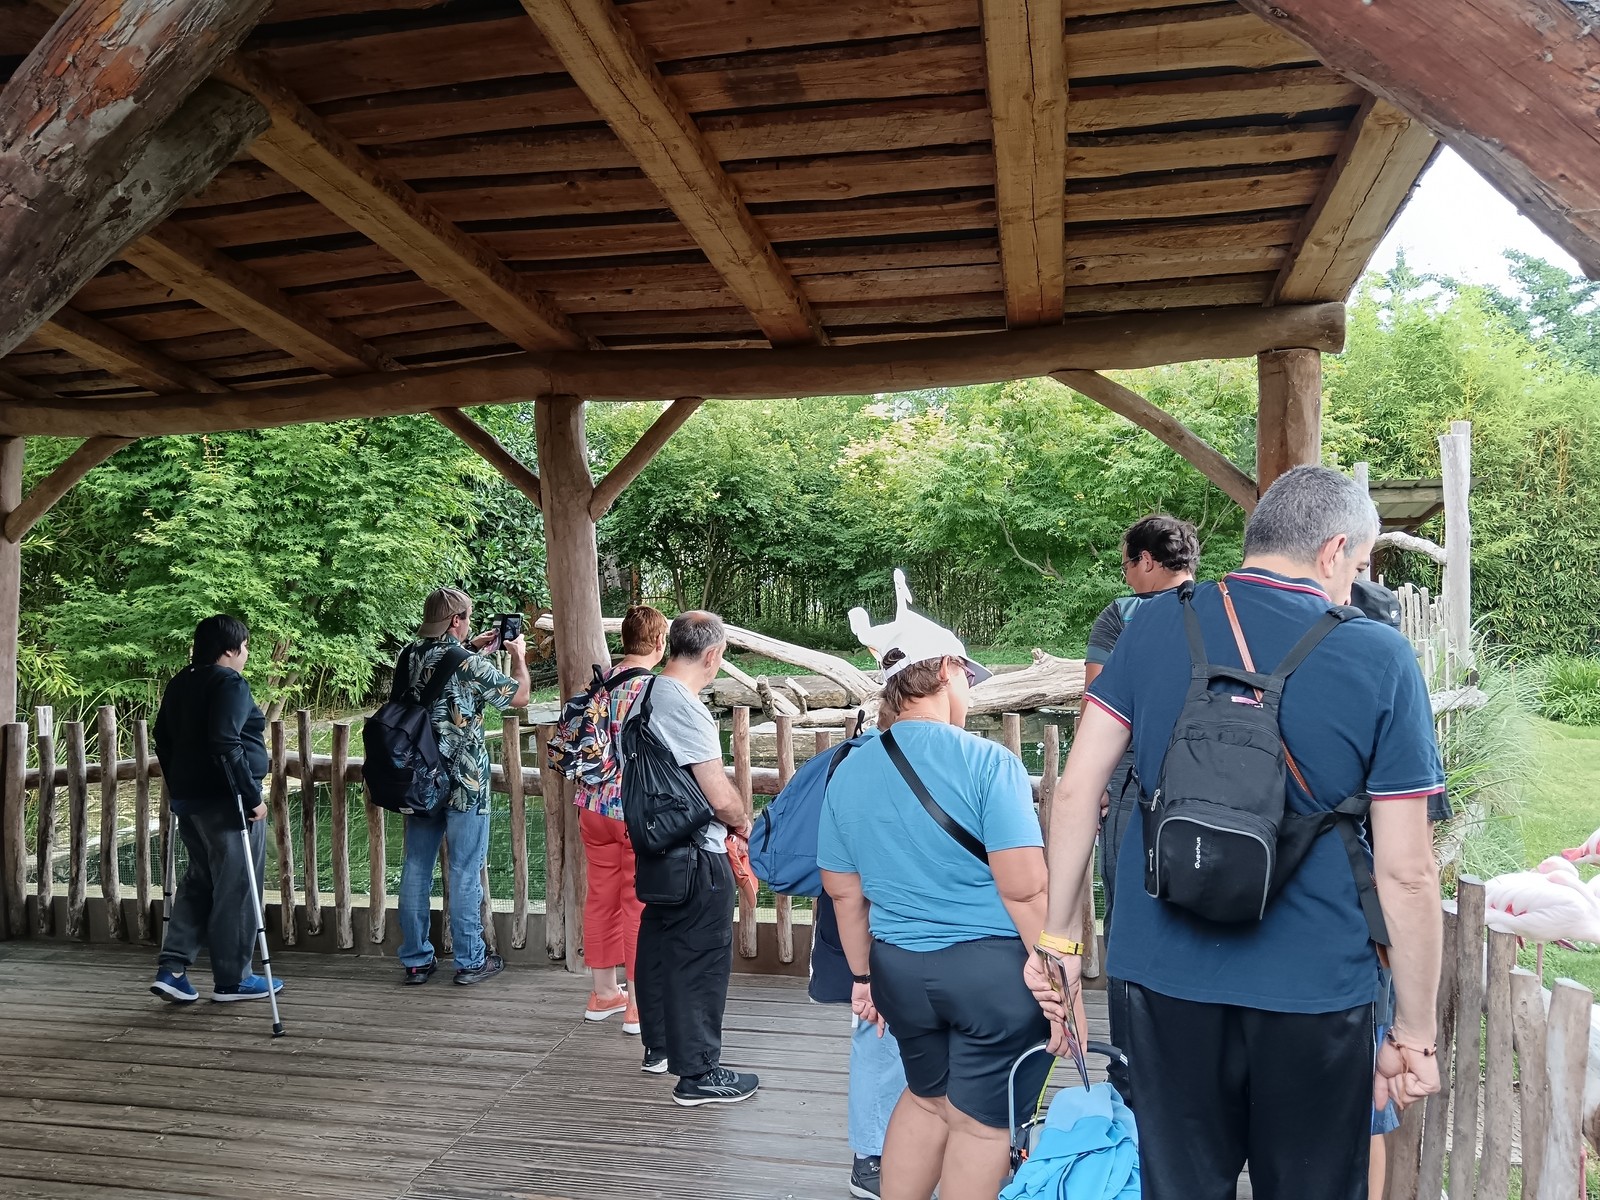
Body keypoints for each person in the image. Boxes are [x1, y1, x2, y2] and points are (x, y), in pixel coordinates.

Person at [1029, 465, 1445, 1200]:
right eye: (1356, 565)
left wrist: (1058, 944)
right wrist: (1413, 1031)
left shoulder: (1154, 622)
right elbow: (1408, 871)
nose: (1353, 584)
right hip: (1316, 988)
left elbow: (1076, 791)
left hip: (1161, 973)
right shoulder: (1378, 656)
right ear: (1332, 550)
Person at [819, 612, 1049, 1200]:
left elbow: (845, 895)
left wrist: (865, 975)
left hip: (898, 970)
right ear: (946, 670)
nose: (968, 689)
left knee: (924, 1101)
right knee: (980, 1124)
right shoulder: (988, 762)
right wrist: (1059, 975)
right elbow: (1025, 890)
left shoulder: (847, 768)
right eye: (967, 675)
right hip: (991, 975)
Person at [1083, 514, 1199, 1104]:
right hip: (1203, 779)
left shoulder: (1122, 616)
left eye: (1128, 562)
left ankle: (1128, 1073)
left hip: (1135, 779)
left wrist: (1095, 780)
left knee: (1127, 915)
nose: (1125, 573)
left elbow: (1101, 702)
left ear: (1147, 562)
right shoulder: (1218, 609)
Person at [628, 611, 759, 1106]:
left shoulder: (644, 692)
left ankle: (660, 1046)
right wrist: (742, 822)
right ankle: (699, 1073)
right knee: (700, 960)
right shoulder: (684, 705)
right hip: (695, 853)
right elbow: (717, 793)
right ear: (712, 655)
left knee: (660, 947)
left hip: (658, 848)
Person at [396, 587, 530, 987]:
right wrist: (519, 656)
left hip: (419, 779)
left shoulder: (409, 655)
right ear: (456, 620)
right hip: (464, 781)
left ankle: (417, 960)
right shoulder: (468, 663)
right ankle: (471, 960)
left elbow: (437, 679)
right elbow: (520, 697)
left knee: (416, 868)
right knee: (465, 869)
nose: (470, 621)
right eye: (467, 616)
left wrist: (472, 649)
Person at [150, 615, 282, 1003]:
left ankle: (173, 968)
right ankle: (233, 978)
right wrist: (251, 796)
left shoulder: (182, 681)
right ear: (230, 649)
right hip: (227, 802)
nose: (246, 654)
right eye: (245, 646)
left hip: (190, 800)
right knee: (238, 884)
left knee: (201, 879)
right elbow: (226, 742)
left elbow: (162, 737)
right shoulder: (229, 682)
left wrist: (180, 784)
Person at [807, 701, 909, 1200]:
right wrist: (863, 974)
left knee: (883, 1036)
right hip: (886, 926)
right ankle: (870, 1153)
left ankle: (878, 1153)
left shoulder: (848, 764)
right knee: (879, 1037)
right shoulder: (872, 767)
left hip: (875, 926)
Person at [576, 604, 666, 1031]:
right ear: (660, 642)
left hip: (593, 808)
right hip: (635, 810)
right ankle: (638, 1005)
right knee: (637, 902)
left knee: (600, 896)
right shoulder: (654, 690)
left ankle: (603, 993)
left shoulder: (599, 683)